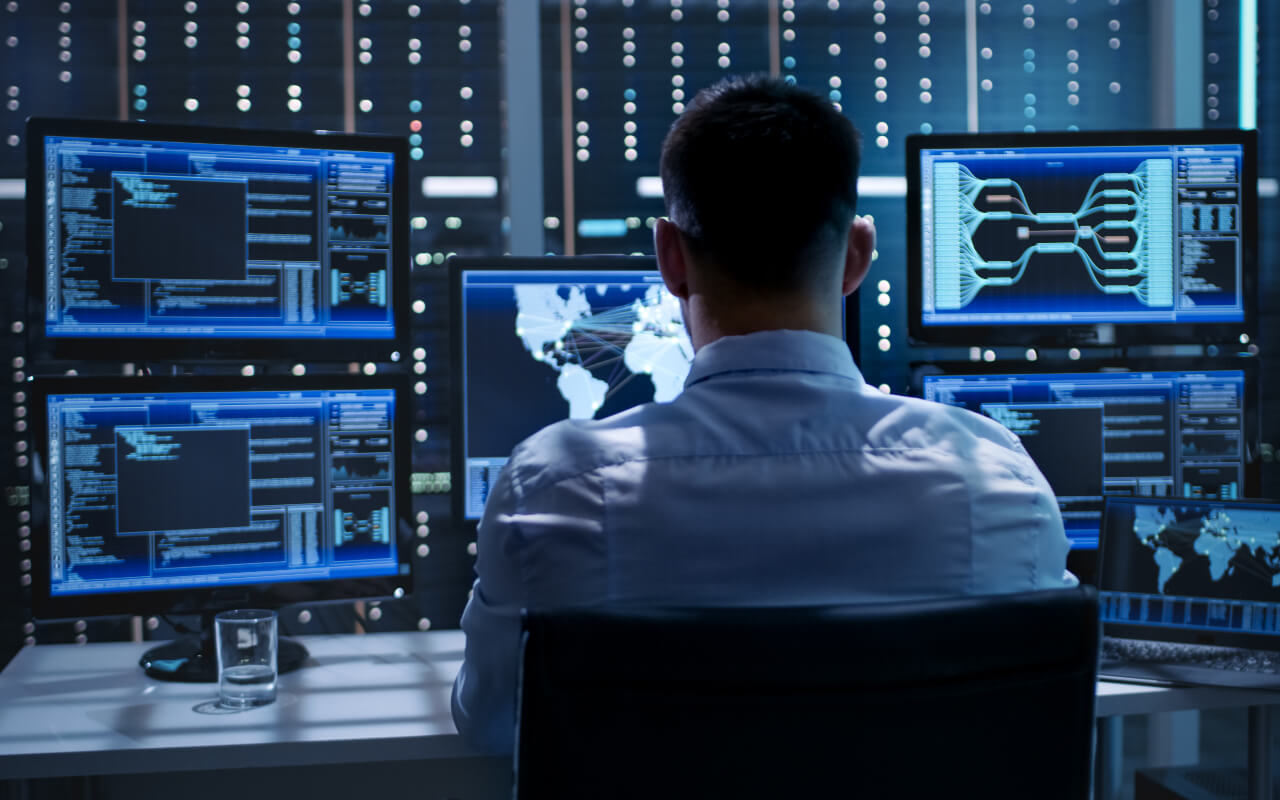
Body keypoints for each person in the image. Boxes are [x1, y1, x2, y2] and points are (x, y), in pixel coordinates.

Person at [451, 74, 1074, 753]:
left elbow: (489, 723)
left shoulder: (554, 487)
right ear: (858, 256)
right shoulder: (997, 479)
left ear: (669, 256)